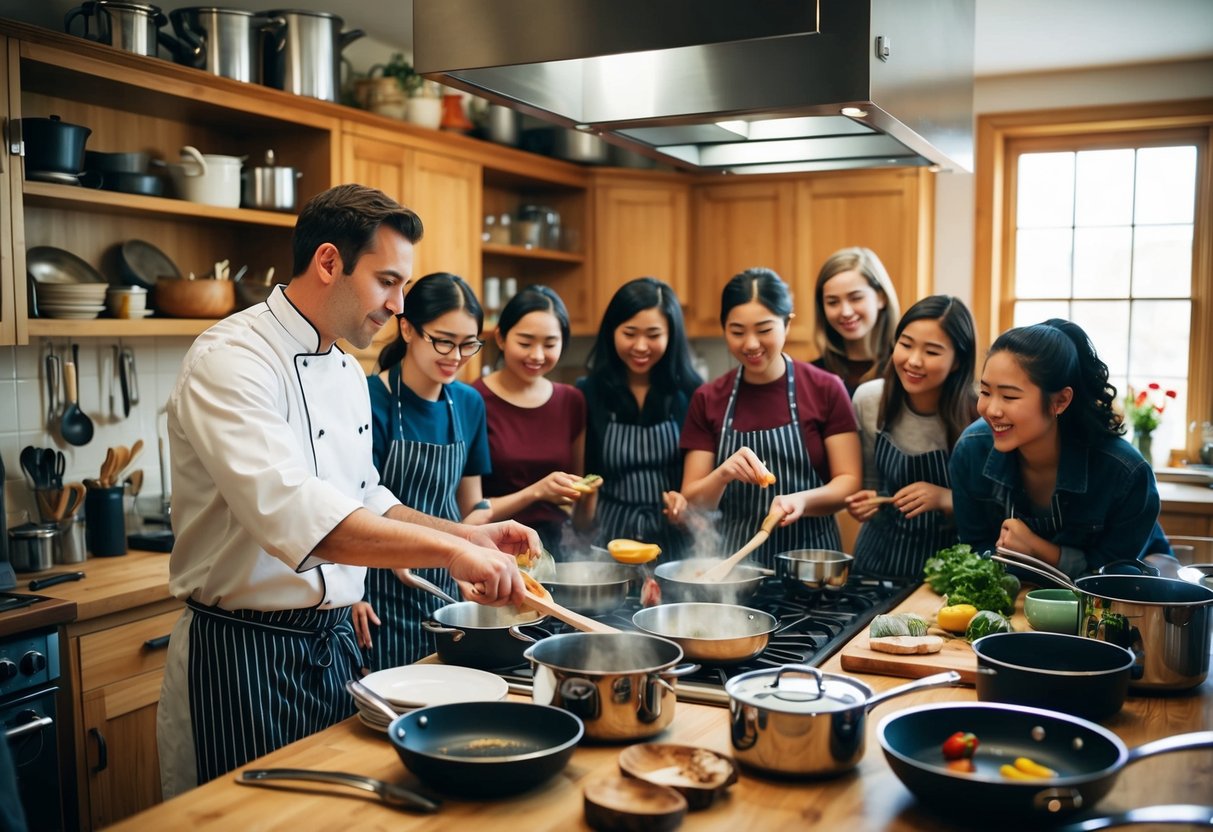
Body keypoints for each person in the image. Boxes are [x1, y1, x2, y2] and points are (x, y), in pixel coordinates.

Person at [157, 185, 536, 797]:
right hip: (242, 655)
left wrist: (466, 533)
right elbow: (297, 516)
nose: (398, 304)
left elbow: (365, 496)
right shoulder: (232, 359)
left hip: (332, 648)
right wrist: (451, 555)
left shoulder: (345, 368)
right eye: (387, 281)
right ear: (329, 262)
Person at [950, 318, 1170, 576]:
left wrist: (1036, 548)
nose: (991, 410)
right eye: (985, 392)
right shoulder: (971, 450)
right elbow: (975, 554)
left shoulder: (1125, 473)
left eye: (1009, 396)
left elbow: (1108, 578)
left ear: (1061, 401)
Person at [352, 272, 493, 669]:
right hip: (377, 584)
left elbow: (474, 502)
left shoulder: (468, 402)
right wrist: (351, 594)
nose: (456, 356)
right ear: (408, 329)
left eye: (469, 344)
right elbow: (349, 504)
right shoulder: (366, 397)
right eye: (444, 340)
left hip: (451, 579)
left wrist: (472, 544)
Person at [681, 268, 862, 568]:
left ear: (787, 324)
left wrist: (802, 501)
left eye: (764, 330)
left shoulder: (826, 388)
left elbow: (849, 482)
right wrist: (722, 474)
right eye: (737, 331)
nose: (751, 344)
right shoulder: (708, 398)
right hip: (734, 565)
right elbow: (693, 501)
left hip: (810, 562)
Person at [845, 296, 979, 579]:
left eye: (932, 352)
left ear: (958, 361)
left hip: (947, 574)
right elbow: (870, 485)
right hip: (874, 565)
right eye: (906, 345)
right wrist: (867, 503)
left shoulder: (978, 418)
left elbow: (994, 511)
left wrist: (946, 498)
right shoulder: (870, 400)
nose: (914, 361)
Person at [576, 277, 702, 556]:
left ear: (671, 335)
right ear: (612, 332)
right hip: (609, 544)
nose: (641, 346)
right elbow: (583, 479)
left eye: (653, 335)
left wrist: (682, 504)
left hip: (674, 544)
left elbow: (698, 482)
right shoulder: (589, 392)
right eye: (630, 333)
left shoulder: (692, 393)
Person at [473, 286, 592, 556]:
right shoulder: (473, 399)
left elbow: (580, 505)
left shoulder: (572, 400)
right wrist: (536, 492)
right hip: (495, 548)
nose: (537, 355)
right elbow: (469, 509)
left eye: (550, 344)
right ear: (501, 339)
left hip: (558, 550)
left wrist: (589, 493)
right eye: (525, 343)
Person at [811, 246, 901, 395]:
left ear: (881, 297)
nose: (846, 312)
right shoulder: (813, 376)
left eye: (856, 298)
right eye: (833, 302)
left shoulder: (906, 369)